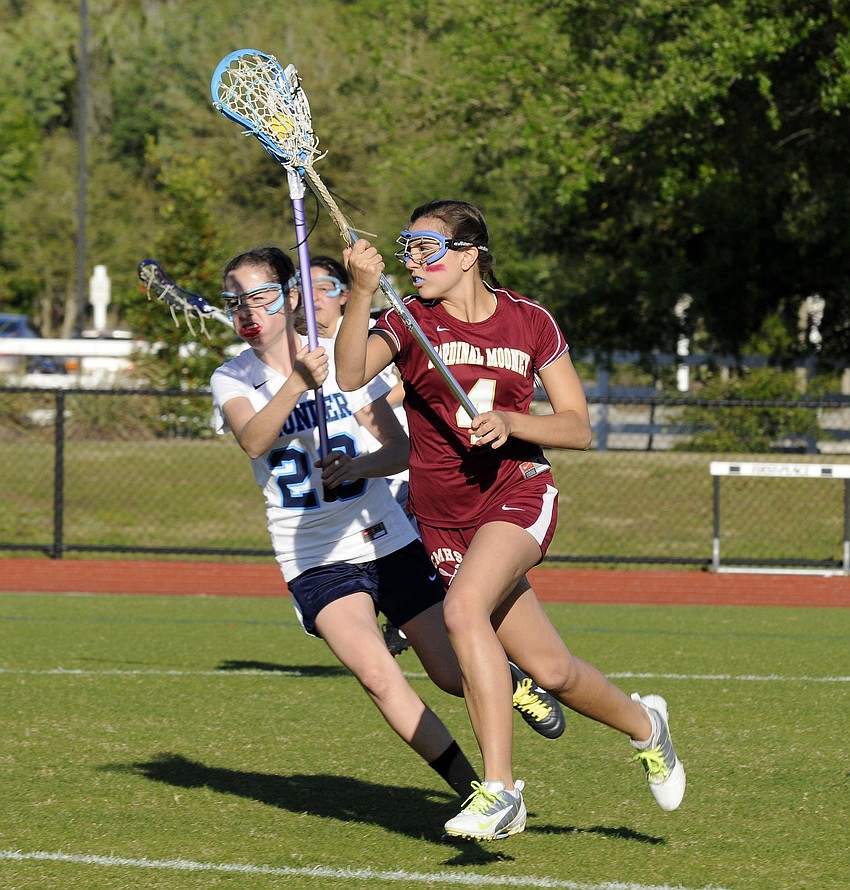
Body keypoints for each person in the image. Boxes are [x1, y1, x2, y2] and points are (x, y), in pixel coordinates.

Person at [335, 200, 686, 840]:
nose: (412, 262)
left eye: (426, 248)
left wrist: (513, 423)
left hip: (517, 493)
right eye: (406, 249)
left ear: (470, 254)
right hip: (445, 521)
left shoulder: (530, 322)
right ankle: (645, 725)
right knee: (551, 672)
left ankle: (499, 791)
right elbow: (349, 372)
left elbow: (577, 426)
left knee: (463, 612)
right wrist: (361, 292)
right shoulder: (408, 320)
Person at [209, 245, 563, 802]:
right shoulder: (232, 377)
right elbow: (253, 439)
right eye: (236, 303)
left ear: (291, 295)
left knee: (451, 675)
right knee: (378, 677)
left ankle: (510, 681)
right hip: (314, 555)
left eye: (260, 298)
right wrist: (298, 382)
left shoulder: (344, 357)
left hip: (387, 537)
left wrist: (355, 465)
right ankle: (475, 789)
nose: (247, 314)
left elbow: (400, 449)